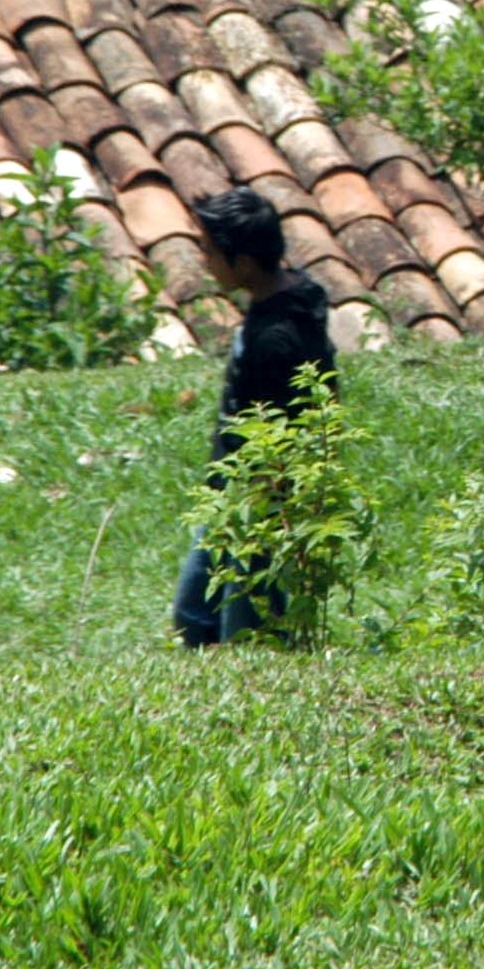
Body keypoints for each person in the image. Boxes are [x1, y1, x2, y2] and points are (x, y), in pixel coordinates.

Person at [172, 187, 336, 647]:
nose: (204, 262)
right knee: (195, 614)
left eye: (209, 251)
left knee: (247, 628)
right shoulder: (294, 297)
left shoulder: (276, 339)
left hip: (259, 500)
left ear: (242, 263)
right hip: (233, 495)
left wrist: (264, 510)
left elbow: (286, 426)